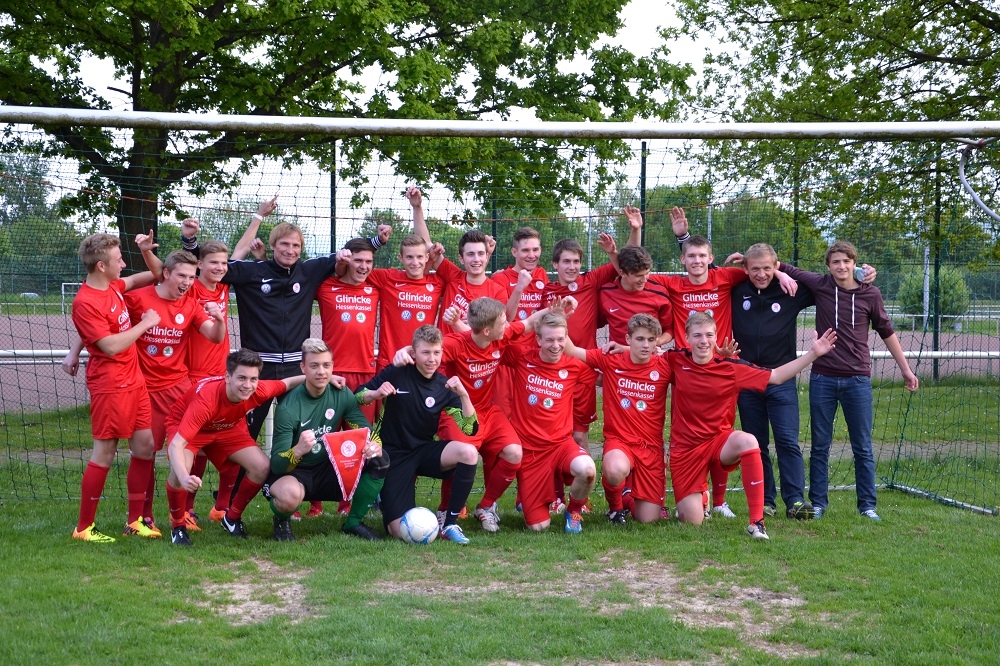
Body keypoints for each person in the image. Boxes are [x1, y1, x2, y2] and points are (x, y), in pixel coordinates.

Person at [778, 241, 919, 520]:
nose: (841, 266)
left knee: (862, 446)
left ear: (855, 263)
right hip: (823, 378)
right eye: (835, 262)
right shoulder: (821, 285)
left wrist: (905, 368)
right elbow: (783, 266)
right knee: (820, 445)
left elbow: (887, 332)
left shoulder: (871, 294)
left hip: (858, 380)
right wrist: (756, 261)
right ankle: (818, 503)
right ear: (828, 266)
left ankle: (867, 505)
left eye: (846, 261)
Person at [667, 312, 838, 539]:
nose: (703, 341)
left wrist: (814, 354)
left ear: (716, 337)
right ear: (686, 337)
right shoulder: (675, 359)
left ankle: (757, 523)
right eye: (697, 335)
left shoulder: (730, 366)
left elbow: (776, 376)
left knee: (749, 440)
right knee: (691, 521)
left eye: (709, 335)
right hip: (685, 449)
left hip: (718, 442)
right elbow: (644, 356)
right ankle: (702, 497)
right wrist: (623, 348)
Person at [123, 249, 227, 533]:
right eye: (181, 275)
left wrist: (218, 319)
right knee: (145, 453)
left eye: (192, 277)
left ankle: (182, 513)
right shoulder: (136, 299)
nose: (187, 282)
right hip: (143, 389)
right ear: (166, 273)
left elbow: (214, 337)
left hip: (179, 389)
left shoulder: (191, 303)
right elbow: (103, 329)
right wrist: (74, 352)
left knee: (189, 448)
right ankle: (140, 517)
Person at [64, 233, 159, 543]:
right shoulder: (85, 301)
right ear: (102, 265)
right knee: (105, 453)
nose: (124, 263)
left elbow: (157, 275)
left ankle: (135, 521)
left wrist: (146, 252)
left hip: (134, 381)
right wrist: (145, 324)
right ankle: (84, 528)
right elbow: (109, 345)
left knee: (145, 447)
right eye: (119, 260)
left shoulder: (114, 287)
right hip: (111, 385)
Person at [162, 349, 305, 546]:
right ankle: (178, 526)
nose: (248, 385)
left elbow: (288, 383)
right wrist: (185, 477)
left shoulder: (259, 389)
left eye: (253, 379)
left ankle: (232, 517)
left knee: (262, 466)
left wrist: (324, 377)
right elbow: (177, 444)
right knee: (179, 473)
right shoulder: (206, 400)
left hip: (226, 428)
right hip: (189, 428)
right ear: (227, 377)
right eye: (242, 378)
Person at [358, 325, 479, 544]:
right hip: (394, 455)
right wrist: (377, 393)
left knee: (469, 452)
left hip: (424, 450)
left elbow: (470, 428)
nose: (432, 359)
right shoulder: (397, 373)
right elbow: (358, 395)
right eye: (426, 352)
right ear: (413, 353)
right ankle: (384, 497)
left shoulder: (444, 385)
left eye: (436, 353)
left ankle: (450, 523)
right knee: (397, 532)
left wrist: (464, 395)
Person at [266, 339, 387, 541]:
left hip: (330, 468)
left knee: (380, 459)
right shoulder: (288, 408)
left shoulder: (341, 394)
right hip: (298, 472)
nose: (321, 371)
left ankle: (354, 522)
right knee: (288, 496)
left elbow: (365, 429)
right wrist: (297, 450)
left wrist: (376, 444)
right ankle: (281, 519)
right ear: (303, 367)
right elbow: (277, 465)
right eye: (314, 366)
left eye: (326, 365)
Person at [561, 313, 671, 524]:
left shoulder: (665, 365)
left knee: (648, 519)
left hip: (651, 447)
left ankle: (627, 498)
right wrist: (559, 316)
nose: (645, 345)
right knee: (614, 469)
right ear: (628, 339)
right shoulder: (611, 359)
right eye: (639, 339)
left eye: (650, 340)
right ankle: (615, 509)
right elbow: (571, 350)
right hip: (620, 442)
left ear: (656, 341)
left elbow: (694, 364)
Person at [503, 312, 597, 533]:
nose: (556, 346)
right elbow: (497, 340)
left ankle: (573, 511)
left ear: (567, 338)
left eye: (561, 339)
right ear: (538, 340)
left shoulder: (574, 366)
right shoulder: (522, 357)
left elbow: (609, 374)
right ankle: (538, 500)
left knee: (588, 470)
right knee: (538, 527)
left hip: (561, 445)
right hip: (530, 452)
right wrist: (530, 322)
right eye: (549, 340)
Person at [598, 245, 674, 347]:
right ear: (622, 273)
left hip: (649, 359)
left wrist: (655, 343)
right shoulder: (605, 293)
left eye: (647, 273)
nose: (644, 279)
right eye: (638, 276)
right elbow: (596, 323)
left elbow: (669, 329)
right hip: (618, 359)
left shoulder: (659, 293)